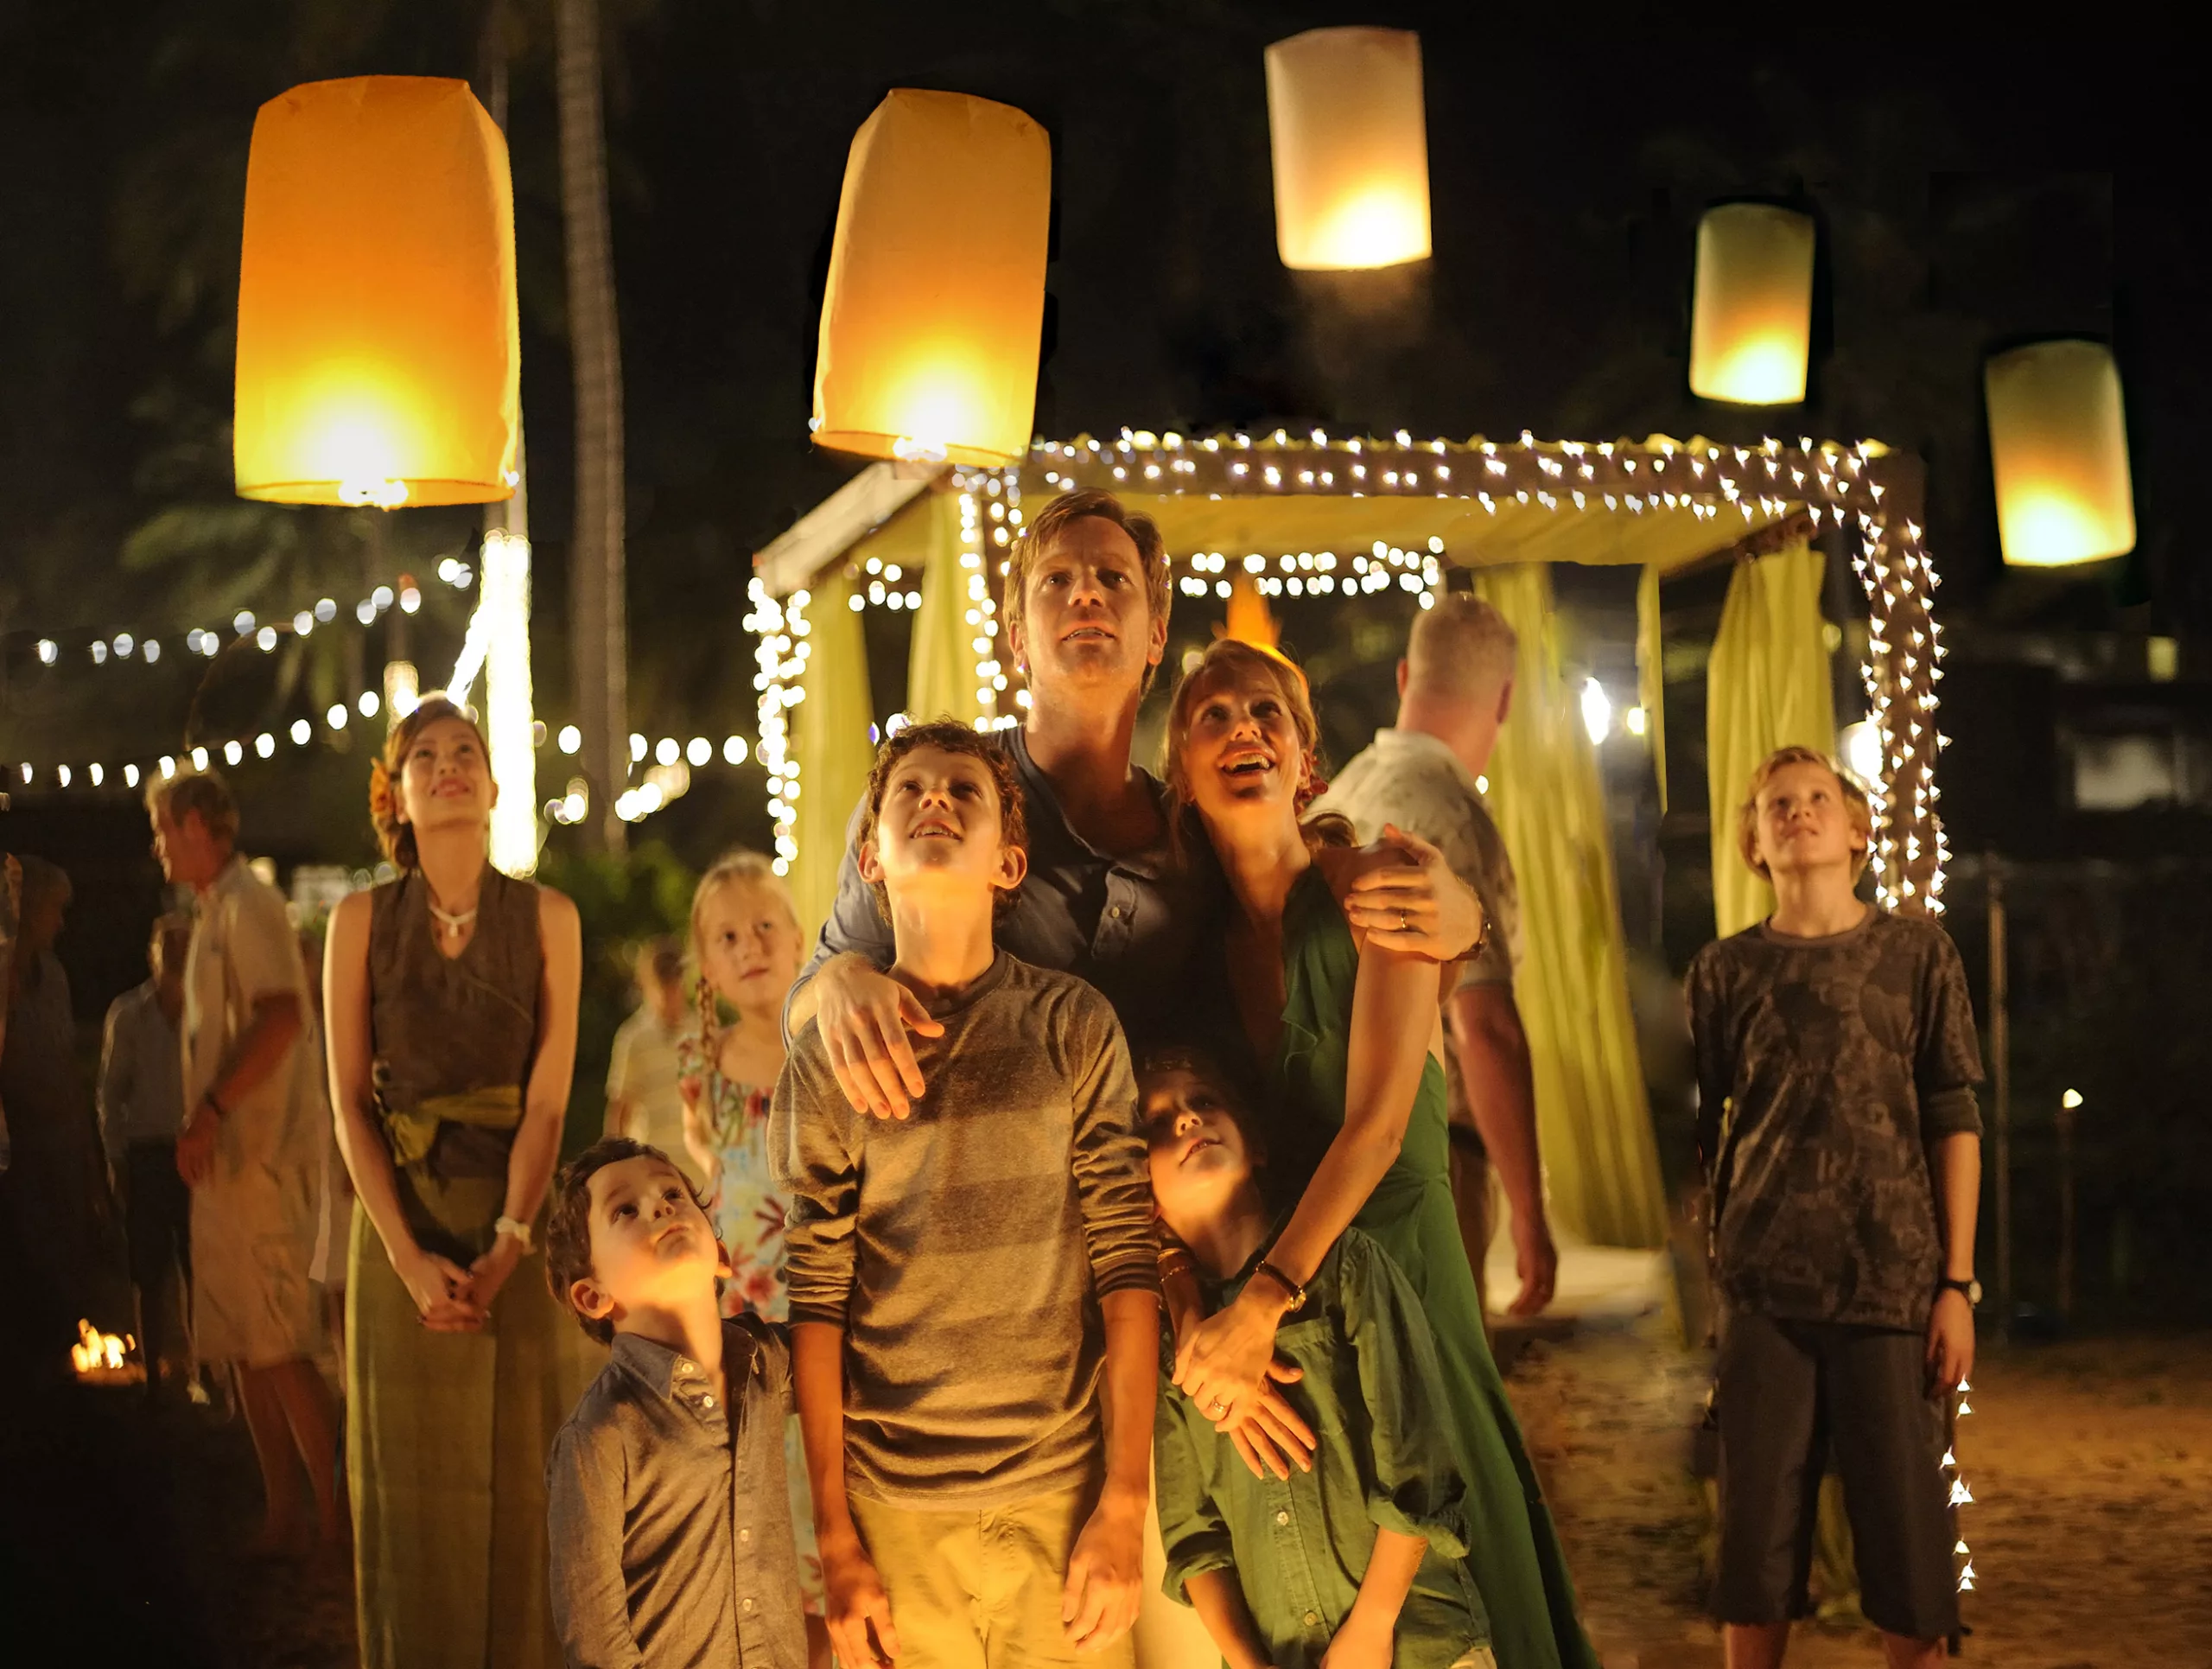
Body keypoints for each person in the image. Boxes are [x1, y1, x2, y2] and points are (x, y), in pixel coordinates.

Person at [789, 487, 1480, 1491]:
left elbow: (1304, 891)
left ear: (1155, 635)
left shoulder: (1187, 846)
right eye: (1057, 580)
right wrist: (842, 978)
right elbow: (809, 1002)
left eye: (1113, 578)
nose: (1086, 596)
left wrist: (1459, 917)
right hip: (963, 1294)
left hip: (1141, 1290)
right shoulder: (947, 800)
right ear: (1016, 637)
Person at [1160, 639, 1598, 1669]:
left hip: (1403, 1275)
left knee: (1471, 1580)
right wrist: (1201, 1327)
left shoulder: (1385, 888)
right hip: (1281, 1347)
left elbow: (1376, 1129)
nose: (1243, 728)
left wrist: (1254, 1304)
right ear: (1178, 770)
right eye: (1213, 715)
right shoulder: (1182, 959)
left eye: (1266, 711)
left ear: (1305, 754)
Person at [772, 720, 1160, 1669]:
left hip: (1059, 1498)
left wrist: (1124, 1500)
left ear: (1008, 861)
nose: (934, 799)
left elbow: (1126, 1261)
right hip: (894, 1512)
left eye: (963, 790)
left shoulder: (1073, 1025)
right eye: (909, 789)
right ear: (870, 856)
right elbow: (815, 1300)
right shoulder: (827, 1058)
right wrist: (835, 1538)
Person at [1687, 746, 1982, 1669]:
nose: (1798, 811)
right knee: (1755, 1539)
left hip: (1890, 1284)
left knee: (1906, 1535)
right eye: (1778, 802)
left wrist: (1957, 1283)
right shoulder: (1724, 970)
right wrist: (1712, 1275)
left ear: (1857, 830)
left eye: (1818, 796)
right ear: (1753, 839)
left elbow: (1953, 1115)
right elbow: (1705, 1131)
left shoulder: (1917, 954)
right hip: (1763, 1290)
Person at [323, 697, 595, 1669]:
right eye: (425, 755)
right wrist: (407, 1258)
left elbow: (548, 1102)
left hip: (515, 1223)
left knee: (525, 1477)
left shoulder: (549, 917)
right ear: (394, 796)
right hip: (397, 1223)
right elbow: (349, 1102)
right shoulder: (359, 920)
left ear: (492, 783)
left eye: (466, 750)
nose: (448, 765)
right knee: (409, 1501)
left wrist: (513, 1240)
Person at [1142, 1044, 1497, 1669]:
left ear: (1256, 1144)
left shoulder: (1346, 1267)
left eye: (1203, 1101)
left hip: (1419, 1643)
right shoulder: (1175, 1353)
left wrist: (1372, 1627)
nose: (1188, 1119)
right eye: (1158, 1124)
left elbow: (1419, 1467)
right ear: (1143, 1201)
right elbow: (1195, 1540)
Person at [1311, 594, 1556, 1317]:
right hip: (1426, 1152)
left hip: (1331, 1150)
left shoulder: (1341, 793)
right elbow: (1486, 1028)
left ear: (1402, 676)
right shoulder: (1450, 817)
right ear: (1504, 699)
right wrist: (1530, 1214)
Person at [147, 774, 340, 1547]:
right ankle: (284, 1513)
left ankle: (335, 1521)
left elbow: (282, 1016)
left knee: (281, 1344)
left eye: (162, 829)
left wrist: (212, 1111)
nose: (157, 846)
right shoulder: (214, 911)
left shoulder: (251, 905)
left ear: (196, 824)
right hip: (228, 1167)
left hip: (261, 1162)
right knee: (245, 1351)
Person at [543, 1137, 808, 1669]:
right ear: (593, 1295)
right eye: (625, 1209)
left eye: (673, 1195)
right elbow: (596, 1639)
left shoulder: (766, 1362)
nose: (660, 1207)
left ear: (720, 1255)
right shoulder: (600, 1433)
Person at [674, 850, 826, 1653]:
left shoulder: (829, 1047)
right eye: (727, 937)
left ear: (800, 937)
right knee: (774, 1525)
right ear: (707, 965)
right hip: (749, 1325)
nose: (750, 946)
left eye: (766, 926)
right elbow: (714, 1179)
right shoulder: (701, 1068)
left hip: (832, 1306)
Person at [98, 914, 197, 1392]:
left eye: (184, 949)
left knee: (200, 1268)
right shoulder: (129, 1016)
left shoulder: (205, 1012)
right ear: (152, 956)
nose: (177, 958)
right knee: (149, 1269)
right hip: (149, 1154)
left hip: (194, 1150)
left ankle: (205, 1372)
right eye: (168, 949)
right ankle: (154, 1376)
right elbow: (110, 1092)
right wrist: (116, 1158)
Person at [605, 938, 698, 1187]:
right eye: (662, 988)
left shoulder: (702, 1031)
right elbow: (620, 1109)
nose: (669, 996)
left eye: (675, 986)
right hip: (652, 1168)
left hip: (698, 1170)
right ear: (645, 986)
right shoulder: (633, 1038)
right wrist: (614, 1167)